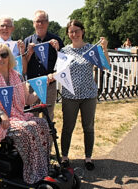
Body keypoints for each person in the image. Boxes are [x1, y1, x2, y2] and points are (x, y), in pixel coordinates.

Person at [0, 44, 50, 184]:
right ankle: (31, 172)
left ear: (9, 57)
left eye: (4, 55)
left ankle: (42, 167)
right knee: (27, 129)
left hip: (17, 116)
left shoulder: (17, 76)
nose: (0, 58)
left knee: (42, 123)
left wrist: (42, 88)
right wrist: (0, 114)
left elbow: (28, 100)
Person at [60, 19, 110, 171]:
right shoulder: (64, 51)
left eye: (77, 30)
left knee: (88, 127)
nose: (74, 34)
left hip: (89, 95)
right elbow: (60, 73)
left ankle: (88, 157)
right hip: (70, 96)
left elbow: (105, 66)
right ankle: (64, 157)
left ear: (82, 32)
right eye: (71, 31)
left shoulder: (91, 49)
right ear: (68, 34)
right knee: (68, 127)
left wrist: (105, 48)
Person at [23, 10, 64, 121]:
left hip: (49, 84)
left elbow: (63, 63)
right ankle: (34, 139)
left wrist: (58, 49)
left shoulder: (57, 40)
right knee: (32, 116)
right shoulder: (27, 41)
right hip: (32, 84)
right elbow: (23, 68)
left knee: (48, 116)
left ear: (48, 23)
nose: (40, 24)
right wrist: (29, 53)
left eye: (43, 21)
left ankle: (48, 139)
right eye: (38, 21)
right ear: (33, 23)